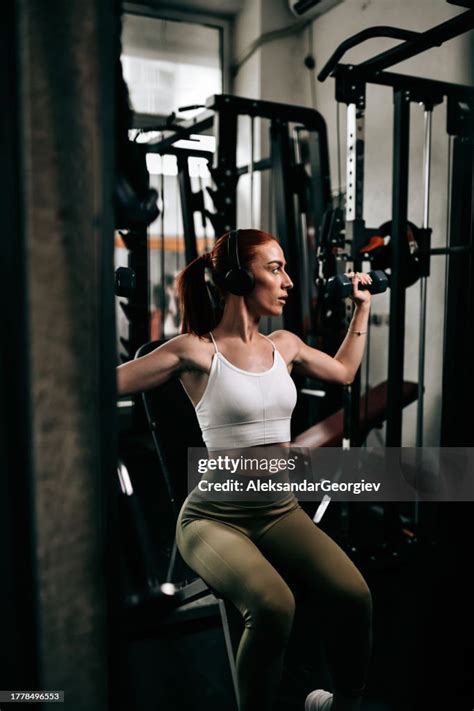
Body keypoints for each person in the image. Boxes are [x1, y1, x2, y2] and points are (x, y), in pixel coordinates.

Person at [117, 229, 373, 711]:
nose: (289, 281)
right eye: (275, 269)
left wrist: (361, 308)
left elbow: (344, 373)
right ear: (236, 277)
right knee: (274, 607)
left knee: (354, 596)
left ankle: (341, 702)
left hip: (279, 511)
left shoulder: (286, 346)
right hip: (213, 517)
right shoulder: (193, 352)